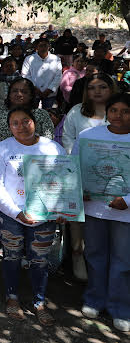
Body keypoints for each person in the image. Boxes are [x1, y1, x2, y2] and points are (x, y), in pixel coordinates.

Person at [0, 106, 66, 325]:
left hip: (44, 216)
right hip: (10, 215)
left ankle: (39, 302)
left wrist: (62, 210)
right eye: (15, 123)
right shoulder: (2, 149)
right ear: (9, 127)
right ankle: (12, 297)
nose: (21, 126)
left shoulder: (53, 148)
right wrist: (16, 212)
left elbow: (64, 182)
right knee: (12, 256)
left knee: (40, 260)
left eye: (26, 121)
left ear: (35, 122)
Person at [73, 93, 130, 332]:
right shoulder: (88, 136)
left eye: (125, 111)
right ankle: (94, 299)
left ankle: (120, 308)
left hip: (125, 213)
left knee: (123, 261)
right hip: (94, 209)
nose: (119, 115)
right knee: (95, 255)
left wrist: (127, 200)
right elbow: (73, 168)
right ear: (107, 112)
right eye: (114, 110)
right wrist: (78, 190)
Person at [61, 73, 116, 281]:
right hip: (81, 171)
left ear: (111, 89)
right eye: (92, 87)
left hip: (114, 174)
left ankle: (107, 262)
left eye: (103, 87)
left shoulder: (118, 111)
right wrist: (75, 164)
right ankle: (78, 256)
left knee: (108, 219)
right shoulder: (77, 111)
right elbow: (68, 139)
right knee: (79, 218)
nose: (97, 91)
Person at [0, 77, 55, 148]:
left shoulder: (41, 114)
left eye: (24, 92)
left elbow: (48, 139)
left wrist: (26, 150)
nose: (19, 94)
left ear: (31, 95)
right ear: (9, 94)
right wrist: (5, 149)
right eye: (15, 91)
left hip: (32, 154)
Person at [21, 38, 62, 109]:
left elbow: (58, 76)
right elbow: (25, 75)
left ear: (49, 46)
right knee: (32, 112)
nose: (43, 48)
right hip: (33, 92)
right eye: (40, 46)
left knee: (48, 113)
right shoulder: (29, 59)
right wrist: (34, 88)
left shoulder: (56, 59)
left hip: (50, 93)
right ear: (36, 47)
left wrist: (49, 89)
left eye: (45, 45)